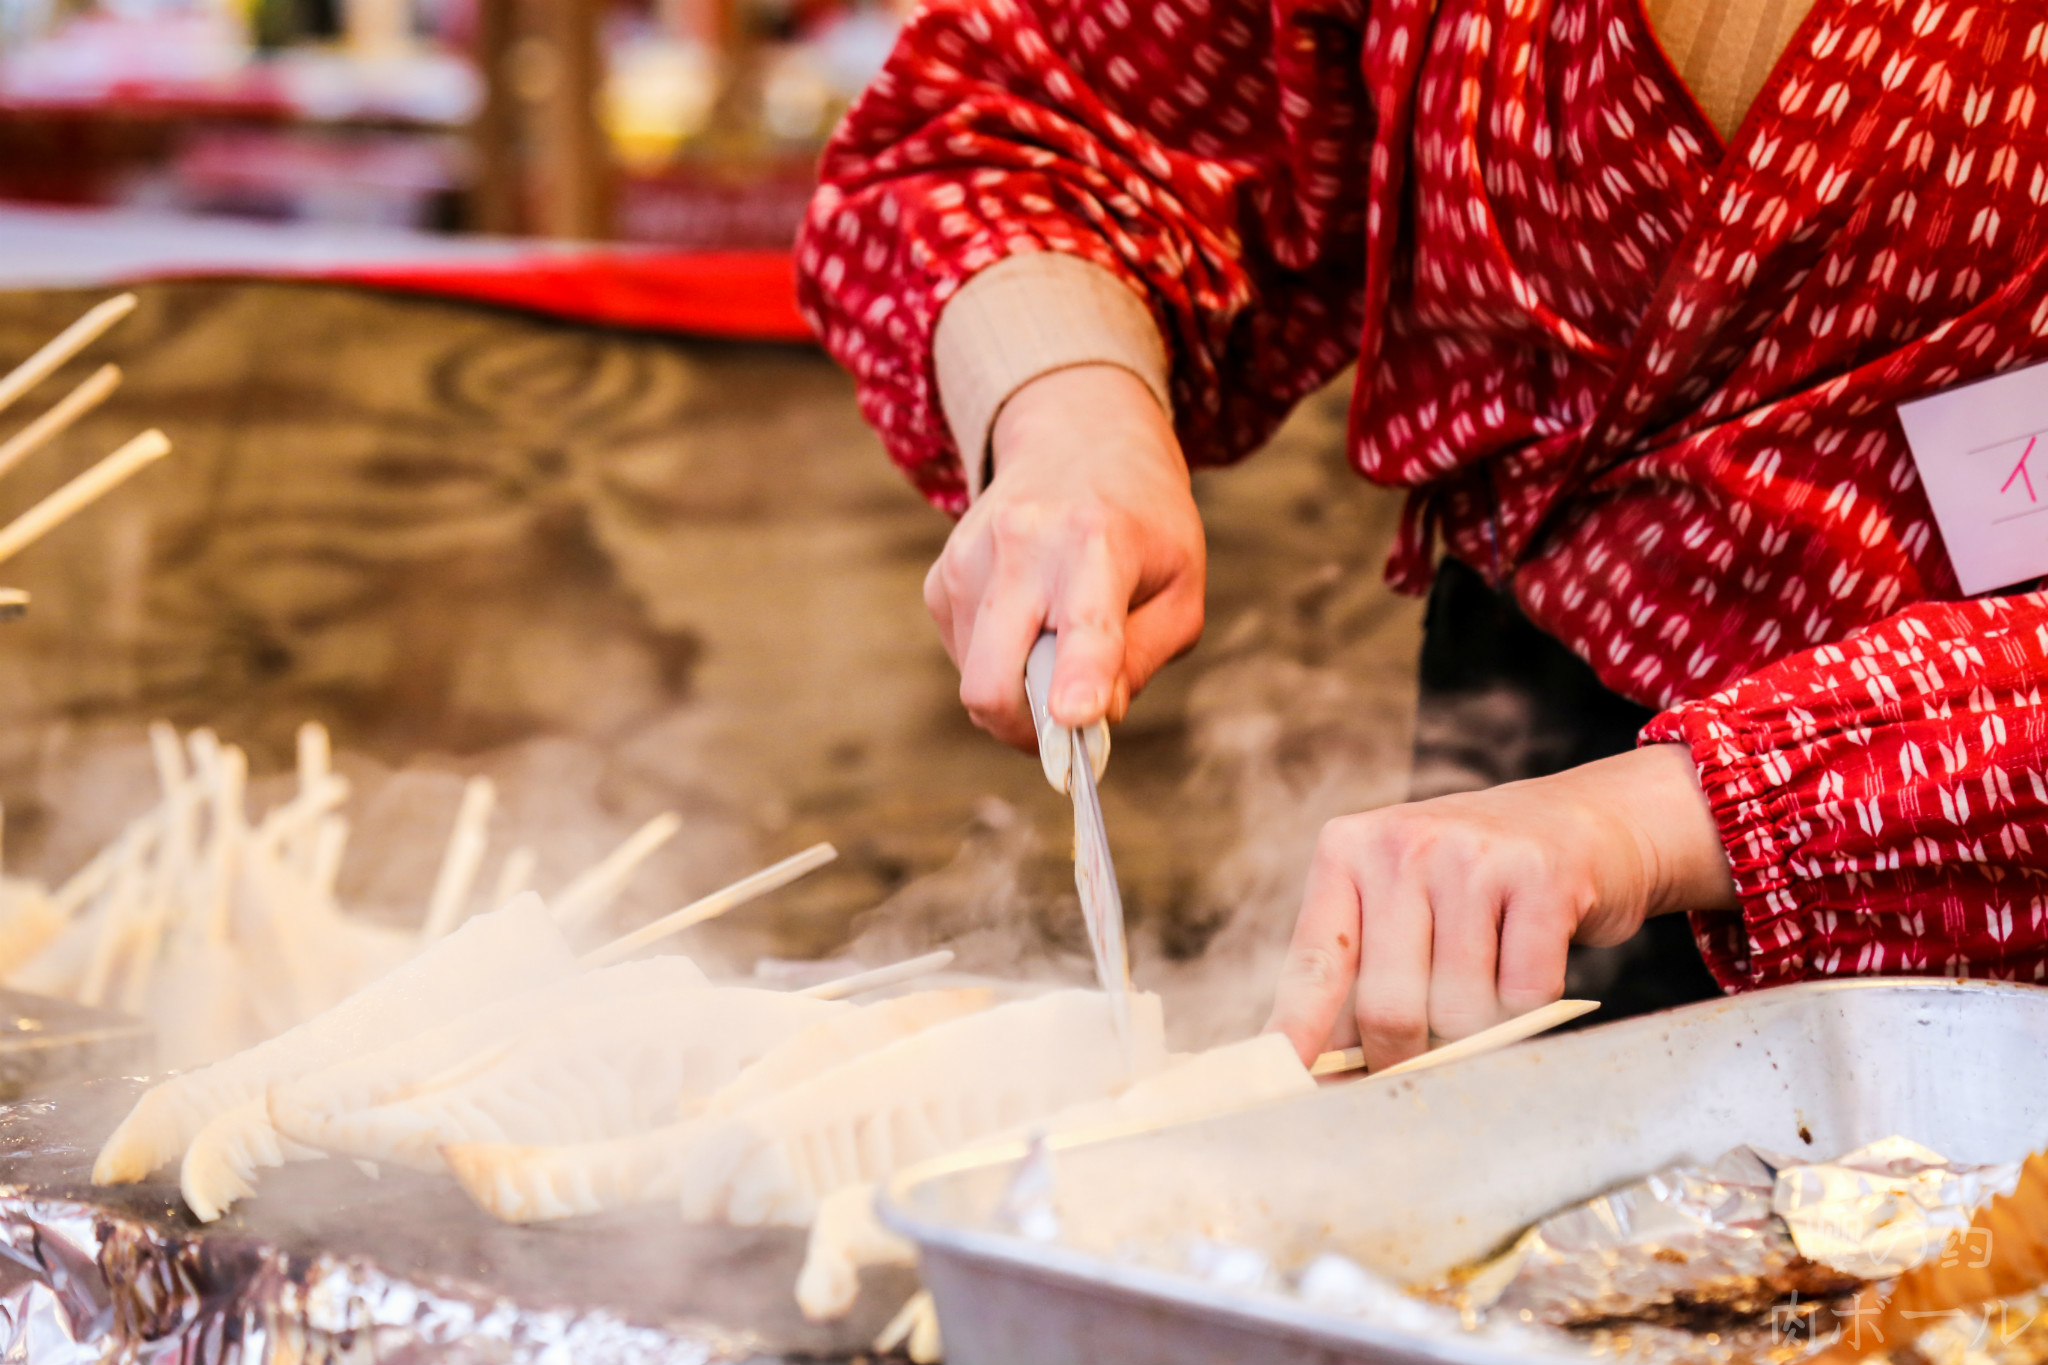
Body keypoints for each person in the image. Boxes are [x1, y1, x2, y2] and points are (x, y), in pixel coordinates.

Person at [795, 0, 2048, 1071]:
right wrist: (1072, 415)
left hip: (1984, 852)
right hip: (1512, 792)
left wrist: (1681, 812)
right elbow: (1029, 117)